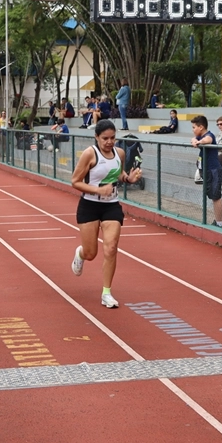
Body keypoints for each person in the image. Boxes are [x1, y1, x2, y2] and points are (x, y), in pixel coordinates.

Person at [70, 119, 143, 309]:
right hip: (89, 206)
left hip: (111, 206)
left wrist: (129, 179)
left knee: (111, 248)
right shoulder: (89, 154)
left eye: (112, 138)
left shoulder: (119, 153)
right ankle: (80, 253)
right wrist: (97, 190)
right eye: (105, 138)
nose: (109, 142)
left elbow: (118, 175)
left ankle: (106, 292)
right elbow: (75, 181)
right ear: (96, 137)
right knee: (91, 253)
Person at [190, 116, 222, 228]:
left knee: (216, 196)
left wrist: (199, 142)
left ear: (201, 127)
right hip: (206, 170)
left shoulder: (209, 135)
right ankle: (216, 222)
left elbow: (208, 140)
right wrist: (195, 140)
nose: (193, 130)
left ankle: (219, 223)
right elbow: (193, 139)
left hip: (214, 170)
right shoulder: (199, 136)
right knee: (212, 196)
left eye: (194, 127)